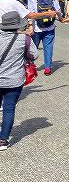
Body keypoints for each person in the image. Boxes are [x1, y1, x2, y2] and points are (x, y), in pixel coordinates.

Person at [0, 10, 38, 151]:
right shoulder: (25, 39)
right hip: (14, 79)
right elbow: (34, 55)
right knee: (9, 108)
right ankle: (3, 140)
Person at [27, 0, 61, 76]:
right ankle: (47, 68)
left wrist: (30, 26)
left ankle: (31, 67)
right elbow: (58, 10)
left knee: (33, 48)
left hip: (37, 27)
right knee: (48, 48)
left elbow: (31, 14)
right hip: (49, 27)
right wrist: (61, 18)